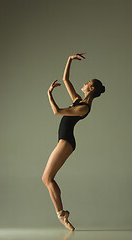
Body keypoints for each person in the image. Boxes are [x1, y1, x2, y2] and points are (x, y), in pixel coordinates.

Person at [42, 52, 105, 231]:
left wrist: (49, 94)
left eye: (87, 83)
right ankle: (62, 215)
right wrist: (69, 60)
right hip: (65, 141)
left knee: (47, 178)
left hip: (66, 142)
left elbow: (57, 111)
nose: (84, 84)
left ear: (91, 89)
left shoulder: (83, 108)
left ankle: (62, 215)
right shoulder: (79, 101)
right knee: (47, 178)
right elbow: (66, 79)